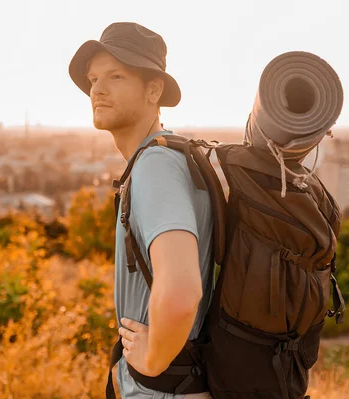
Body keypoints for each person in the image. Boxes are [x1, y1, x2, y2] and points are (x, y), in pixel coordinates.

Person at [68, 22, 214, 398]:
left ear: (154, 89)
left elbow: (182, 291)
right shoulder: (171, 157)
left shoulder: (155, 167)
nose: (96, 89)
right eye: (93, 78)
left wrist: (151, 363)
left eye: (115, 76)